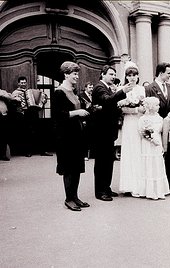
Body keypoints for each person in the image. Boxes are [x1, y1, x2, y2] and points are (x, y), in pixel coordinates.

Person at [91, 65, 134, 201]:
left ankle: (107, 188)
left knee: (108, 161)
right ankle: (100, 191)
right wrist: (122, 92)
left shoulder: (108, 88)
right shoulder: (99, 87)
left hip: (109, 130)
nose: (113, 76)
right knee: (102, 162)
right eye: (111, 74)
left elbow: (110, 106)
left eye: (114, 74)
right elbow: (107, 100)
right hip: (101, 131)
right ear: (103, 75)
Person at [53, 61, 90, 211]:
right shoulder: (59, 92)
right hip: (65, 137)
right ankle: (68, 199)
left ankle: (75, 197)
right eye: (74, 73)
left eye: (77, 73)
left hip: (77, 135)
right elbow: (57, 116)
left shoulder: (73, 92)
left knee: (76, 167)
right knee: (69, 168)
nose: (77, 76)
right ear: (66, 74)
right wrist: (77, 112)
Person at [117, 65, 146, 197]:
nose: (132, 78)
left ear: (138, 76)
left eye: (134, 75)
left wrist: (141, 108)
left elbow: (144, 106)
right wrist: (134, 109)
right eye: (129, 75)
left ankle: (139, 185)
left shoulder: (142, 89)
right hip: (128, 122)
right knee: (130, 150)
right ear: (126, 77)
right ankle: (128, 185)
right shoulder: (122, 89)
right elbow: (120, 108)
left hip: (139, 122)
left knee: (139, 151)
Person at [11, 76, 52, 157]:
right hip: (23, 114)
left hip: (33, 113)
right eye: (21, 83)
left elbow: (42, 97)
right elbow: (12, 101)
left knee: (39, 131)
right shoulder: (15, 92)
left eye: (24, 82)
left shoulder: (29, 91)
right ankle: (28, 151)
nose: (23, 84)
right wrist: (17, 100)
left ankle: (43, 151)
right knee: (27, 133)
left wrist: (43, 99)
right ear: (18, 83)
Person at [138, 97, 170, 200]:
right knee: (148, 163)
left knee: (157, 163)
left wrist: (158, 142)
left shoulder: (160, 118)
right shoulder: (143, 119)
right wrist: (151, 139)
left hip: (157, 142)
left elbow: (161, 131)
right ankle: (149, 191)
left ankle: (159, 190)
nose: (158, 107)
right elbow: (141, 132)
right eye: (156, 105)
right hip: (148, 144)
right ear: (150, 107)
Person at [79, 82, 95, 160]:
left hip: (92, 119)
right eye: (90, 87)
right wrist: (86, 107)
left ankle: (91, 154)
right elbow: (79, 108)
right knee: (84, 138)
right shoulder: (81, 96)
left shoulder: (93, 96)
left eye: (92, 87)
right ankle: (84, 154)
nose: (91, 89)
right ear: (85, 88)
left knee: (91, 136)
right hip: (84, 118)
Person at [0, 89, 17, 161]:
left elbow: (11, 98)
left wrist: (2, 95)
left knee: (3, 136)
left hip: (3, 115)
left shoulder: (2, 91)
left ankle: (4, 155)